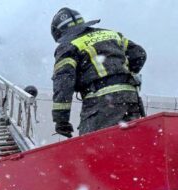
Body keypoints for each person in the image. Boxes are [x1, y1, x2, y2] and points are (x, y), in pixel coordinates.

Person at [50, 7, 147, 138]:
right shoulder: (111, 34)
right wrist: (122, 75)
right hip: (130, 97)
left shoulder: (68, 45)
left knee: (93, 147)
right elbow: (139, 54)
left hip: (102, 102)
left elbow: (63, 82)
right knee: (131, 143)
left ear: (59, 33)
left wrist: (61, 120)